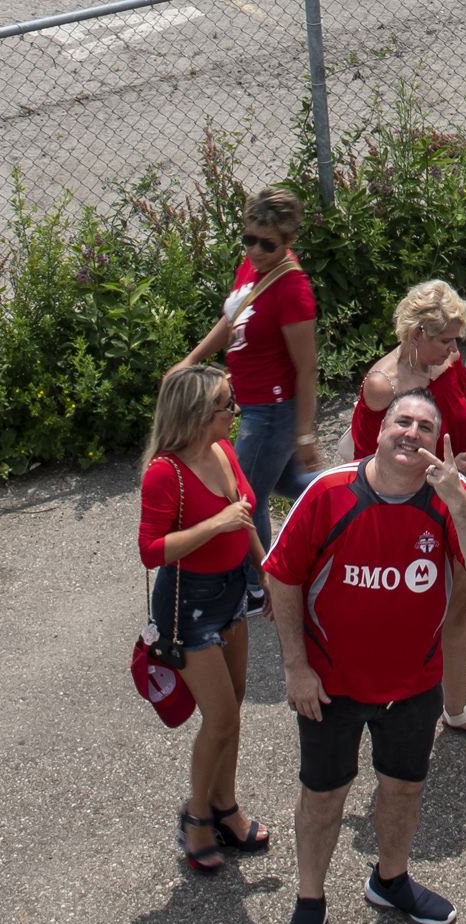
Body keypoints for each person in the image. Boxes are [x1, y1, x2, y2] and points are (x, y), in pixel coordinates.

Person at [265, 389, 466, 924]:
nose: (413, 434)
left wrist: (457, 497)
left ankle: (390, 879)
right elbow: (282, 578)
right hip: (330, 687)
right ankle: (309, 902)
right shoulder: (327, 494)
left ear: (437, 442)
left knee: (403, 789)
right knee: (324, 797)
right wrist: (296, 668)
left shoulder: (452, 498)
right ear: (379, 430)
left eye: (427, 427)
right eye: (403, 421)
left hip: (414, 685)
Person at [347, 280, 466, 745]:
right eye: (445, 339)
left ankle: (456, 709)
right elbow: (367, 464)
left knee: (458, 606)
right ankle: (390, 704)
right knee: (405, 607)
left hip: (458, 492)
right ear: (417, 332)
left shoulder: (448, 359)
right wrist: (442, 471)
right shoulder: (384, 385)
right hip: (407, 508)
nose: (454, 349)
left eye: (457, 340)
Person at [137, 366, 271, 874]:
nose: (235, 413)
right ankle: (196, 816)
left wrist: (266, 574)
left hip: (232, 590)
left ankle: (225, 806)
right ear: (198, 416)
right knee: (222, 718)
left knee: (232, 707)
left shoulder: (223, 451)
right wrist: (214, 524)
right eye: (226, 405)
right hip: (187, 604)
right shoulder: (164, 474)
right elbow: (151, 551)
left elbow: (244, 516)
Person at [174, 185, 320, 614]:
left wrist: (304, 433)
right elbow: (232, 316)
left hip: (272, 412)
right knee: (290, 484)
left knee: (242, 497)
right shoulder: (254, 266)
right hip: (254, 404)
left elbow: (307, 368)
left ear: (289, 241)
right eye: (249, 238)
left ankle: (260, 587)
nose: (255, 250)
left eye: (267, 243)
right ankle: (355, 505)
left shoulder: (293, 291)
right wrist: (192, 359)